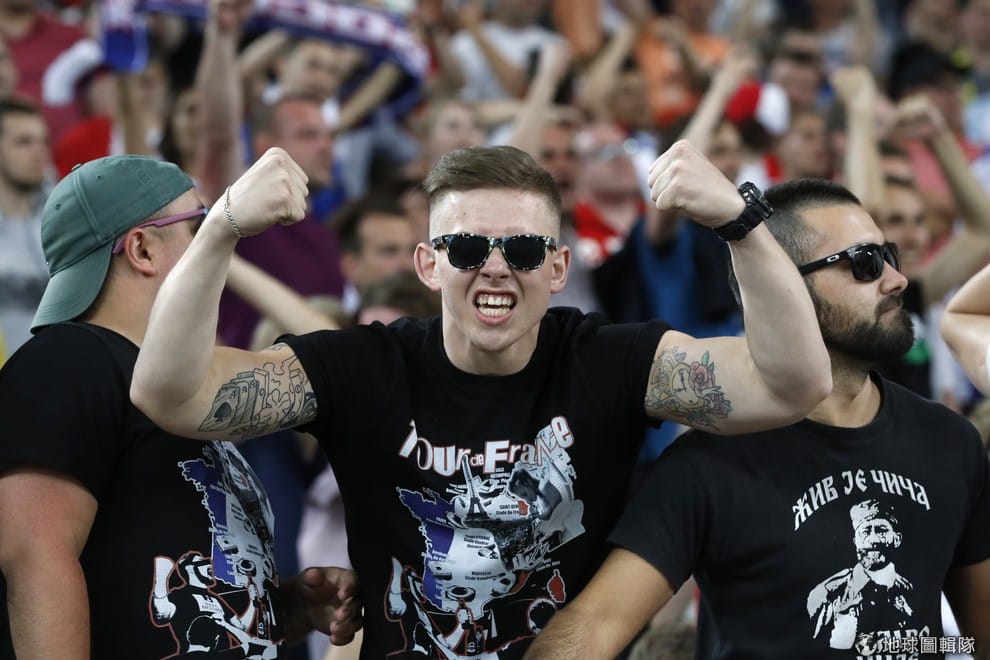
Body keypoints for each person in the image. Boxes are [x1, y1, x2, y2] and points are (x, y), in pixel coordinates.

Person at [130, 141, 832, 658]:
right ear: (429, 264)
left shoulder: (611, 360)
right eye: (466, 247)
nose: (495, 267)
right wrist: (220, 228)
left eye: (523, 250)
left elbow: (792, 382)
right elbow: (172, 395)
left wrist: (740, 223)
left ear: (558, 267)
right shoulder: (365, 366)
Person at [523, 179, 990, 659]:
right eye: (865, 262)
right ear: (783, 289)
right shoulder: (708, 463)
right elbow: (595, 624)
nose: (896, 280)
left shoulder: (950, 441)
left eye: (889, 256)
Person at [0, 152, 362, 658]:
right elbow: (36, 557)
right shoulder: (68, 359)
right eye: (197, 225)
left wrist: (287, 607)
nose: (216, 247)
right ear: (143, 249)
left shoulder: (186, 385)